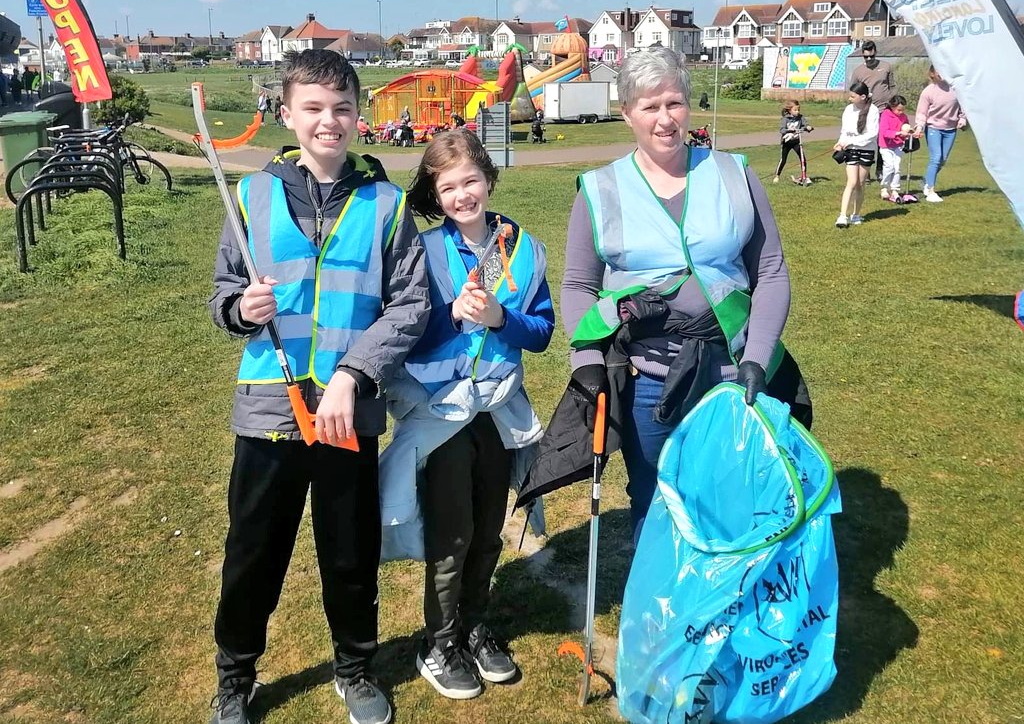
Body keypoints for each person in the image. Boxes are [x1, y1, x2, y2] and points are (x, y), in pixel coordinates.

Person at [207, 49, 430, 724]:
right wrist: (243, 309)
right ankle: (236, 677)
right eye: (313, 108)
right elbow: (222, 292)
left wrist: (353, 375)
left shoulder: (387, 205)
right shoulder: (252, 194)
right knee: (254, 550)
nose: (328, 121)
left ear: (357, 116)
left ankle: (355, 667)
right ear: (288, 114)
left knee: (349, 549)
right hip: (269, 407)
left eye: (340, 108)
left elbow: (410, 305)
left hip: (346, 412)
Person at [560, 46, 796, 539]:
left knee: (733, 499)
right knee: (657, 502)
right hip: (651, 380)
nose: (665, 119)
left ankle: (726, 608)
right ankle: (663, 610)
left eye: (674, 103)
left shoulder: (736, 173)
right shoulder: (599, 189)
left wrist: (756, 357)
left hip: (733, 373)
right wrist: (587, 367)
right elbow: (578, 285)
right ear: (627, 114)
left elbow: (770, 270)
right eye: (650, 107)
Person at [381, 129, 555, 700]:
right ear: (435, 193)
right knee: (452, 531)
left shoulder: (519, 245)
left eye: (470, 181)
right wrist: (452, 316)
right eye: (448, 186)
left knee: (488, 527)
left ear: (489, 178)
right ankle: (439, 640)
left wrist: (504, 318)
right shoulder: (424, 251)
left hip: (499, 409)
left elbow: (543, 332)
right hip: (442, 411)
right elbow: (408, 337)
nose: (462, 195)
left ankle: (475, 624)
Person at [914, 65, 966, 203]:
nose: (941, 73)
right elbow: (921, 112)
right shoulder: (928, 92)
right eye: (938, 70)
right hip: (933, 128)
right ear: (932, 73)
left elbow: (963, 106)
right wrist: (919, 127)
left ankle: (926, 181)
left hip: (950, 129)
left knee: (942, 160)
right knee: (936, 158)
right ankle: (930, 190)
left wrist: (962, 119)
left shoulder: (955, 88)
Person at [832, 82, 881, 228]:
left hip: (867, 149)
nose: (850, 98)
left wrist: (852, 141)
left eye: (853, 96)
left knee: (860, 184)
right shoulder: (848, 109)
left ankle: (856, 214)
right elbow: (844, 130)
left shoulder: (873, 110)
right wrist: (840, 143)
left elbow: (872, 134)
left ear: (863, 96)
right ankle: (842, 216)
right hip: (851, 149)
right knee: (851, 182)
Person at [850, 41, 896, 181]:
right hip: (867, 110)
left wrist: (893, 104)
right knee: (867, 140)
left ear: (875, 53)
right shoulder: (858, 71)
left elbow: (892, 86)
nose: (869, 59)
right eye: (865, 57)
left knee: (882, 140)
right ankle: (866, 170)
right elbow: (853, 91)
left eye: (871, 56)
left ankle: (880, 169)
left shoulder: (886, 67)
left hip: (884, 109)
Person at [878, 95, 912, 202]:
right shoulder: (885, 115)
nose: (901, 112)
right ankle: (884, 187)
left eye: (902, 110)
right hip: (886, 146)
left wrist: (910, 133)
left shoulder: (903, 117)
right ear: (892, 107)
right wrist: (898, 133)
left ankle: (895, 189)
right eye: (898, 110)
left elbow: (906, 129)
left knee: (897, 167)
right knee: (889, 166)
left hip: (898, 145)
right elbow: (884, 132)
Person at [773, 100, 814, 185]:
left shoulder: (800, 117)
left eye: (798, 110)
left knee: (803, 158)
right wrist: (789, 130)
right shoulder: (785, 119)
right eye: (795, 110)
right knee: (783, 160)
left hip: (796, 141)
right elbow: (782, 130)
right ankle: (777, 175)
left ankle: (803, 176)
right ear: (789, 110)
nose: (797, 112)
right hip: (787, 142)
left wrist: (808, 127)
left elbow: (805, 125)